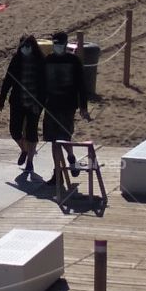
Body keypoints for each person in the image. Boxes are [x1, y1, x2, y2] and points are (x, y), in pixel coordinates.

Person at [41, 31, 89, 183]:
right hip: (51, 105)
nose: (58, 47)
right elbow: (42, 84)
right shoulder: (48, 60)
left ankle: (71, 158)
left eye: (60, 44)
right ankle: (57, 173)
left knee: (64, 138)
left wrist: (83, 106)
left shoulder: (74, 61)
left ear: (65, 44)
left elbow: (82, 85)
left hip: (68, 105)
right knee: (53, 141)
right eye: (55, 44)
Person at [0, 35, 46, 175]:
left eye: (27, 46)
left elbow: (44, 84)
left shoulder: (40, 61)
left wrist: (42, 102)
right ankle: (24, 150)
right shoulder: (16, 60)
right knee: (14, 130)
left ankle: (30, 161)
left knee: (32, 133)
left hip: (34, 103)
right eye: (22, 46)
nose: (25, 49)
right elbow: (8, 80)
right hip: (17, 101)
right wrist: (2, 98)